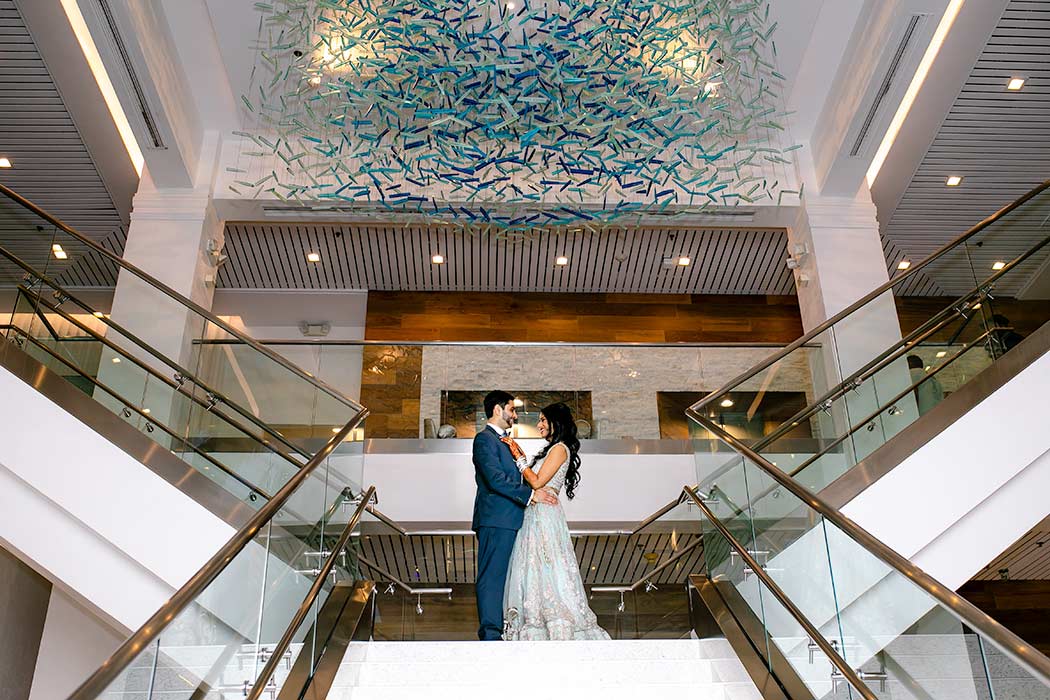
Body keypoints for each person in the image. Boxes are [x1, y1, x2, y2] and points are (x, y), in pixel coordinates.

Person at [501, 402, 610, 640]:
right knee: (534, 566)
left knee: (550, 564)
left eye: (542, 420)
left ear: (555, 422)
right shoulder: (550, 449)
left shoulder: (560, 449)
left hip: (545, 516)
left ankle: (558, 621)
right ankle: (535, 620)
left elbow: (538, 482)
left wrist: (518, 455)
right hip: (534, 512)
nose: (539, 425)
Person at [472, 390, 558, 641]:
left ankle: (504, 630)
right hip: (496, 518)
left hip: (511, 519)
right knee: (493, 576)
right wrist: (532, 496)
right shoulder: (484, 439)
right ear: (497, 410)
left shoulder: (505, 441)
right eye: (512, 409)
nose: (515, 415)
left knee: (508, 577)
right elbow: (496, 479)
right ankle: (490, 634)